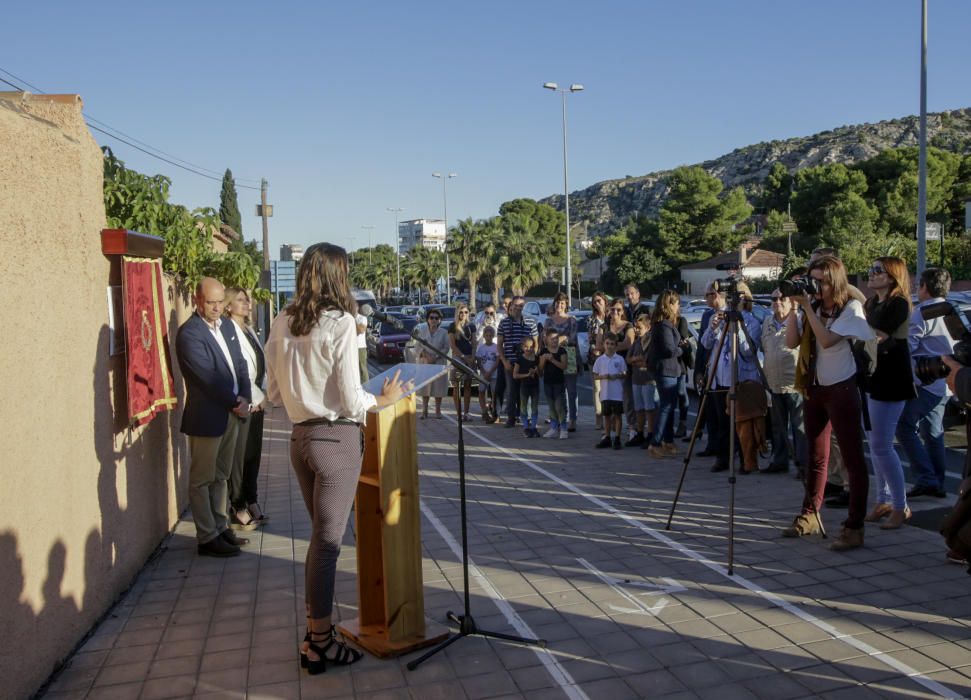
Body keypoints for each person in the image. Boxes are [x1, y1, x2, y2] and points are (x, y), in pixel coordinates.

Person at [265, 243, 410, 675]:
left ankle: (315, 636)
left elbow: (273, 393)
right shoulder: (341, 322)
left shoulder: (280, 320)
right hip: (336, 441)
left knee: (320, 541)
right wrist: (383, 399)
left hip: (299, 440)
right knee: (327, 545)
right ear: (336, 276)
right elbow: (351, 399)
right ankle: (322, 641)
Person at [783, 255, 874, 551]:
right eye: (812, 280)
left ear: (833, 280)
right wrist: (796, 309)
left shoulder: (851, 306)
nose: (815, 286)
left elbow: (826, 340)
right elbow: (791, 343)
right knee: (816, 456)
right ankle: (809, 514)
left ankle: (854, 526)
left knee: (852, 459)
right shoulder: (814, 307)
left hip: (842, 388)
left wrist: (808, 308)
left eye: (820, 280)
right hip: (816, 387)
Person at [175, 277, 252, 558]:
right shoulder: (190, 334)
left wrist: (244, 396)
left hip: (232, 411)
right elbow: (207, 378)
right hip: (208, 417)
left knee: (222, 476)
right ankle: (207, 537)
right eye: (211, 302)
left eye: (221, 302)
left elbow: (240, 365)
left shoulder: (228, 327)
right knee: (202, 479)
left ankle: (221, 528)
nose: (218, 307)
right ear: (197, 300)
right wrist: (235, 402)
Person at [863, 256, 916, 529]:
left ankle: (900, 506)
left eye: (877, 270)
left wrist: (860, 332)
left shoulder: (899, 303)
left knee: (883, 445)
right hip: (872, 378)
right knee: (875, 445)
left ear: (893, 276)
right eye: (870, 269)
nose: (870, 274)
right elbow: (867, 335)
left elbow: (875, 335)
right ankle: (882, 499)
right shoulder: (872, 303)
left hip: (892, 379)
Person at [898, 267, 955, 499]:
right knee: (933, 433)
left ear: (924, 287)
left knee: (904, 426)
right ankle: (937, 483)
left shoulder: (923, 312)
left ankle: (927, 479)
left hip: (925, 383)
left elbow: (907, 347)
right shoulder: (951, 310)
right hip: (946, 382)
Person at [700, 282, 763, 473]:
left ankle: (746, 460)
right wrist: (714, 328)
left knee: (742, 423)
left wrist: (738, 329)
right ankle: (723, 458)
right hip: (720, 377)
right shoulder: (718, 316)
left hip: (740, 378)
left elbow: (748, 352)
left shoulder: (750, 321)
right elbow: (705, 344)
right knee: (722, 422)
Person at [224, 287, 269, 528]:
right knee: (239, 459)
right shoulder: (228, 330)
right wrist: (255, 397)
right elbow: (240, 371)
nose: (246, 303)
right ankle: (238, 505)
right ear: (229, 305)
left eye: (247, 299)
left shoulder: (247, 329)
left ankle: (252, 500)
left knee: (253, 455)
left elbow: (259, 364)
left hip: (258, 402)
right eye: (240, 300)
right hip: (245, 403)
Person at [761, 290, 807, 475]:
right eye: (773, 299)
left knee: (799, 427)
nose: (777, 302)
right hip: (773, 381)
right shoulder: (767, 321)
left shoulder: (799, 320)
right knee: (778, 426)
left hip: (794, 382)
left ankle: (803, 466)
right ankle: (780, 461)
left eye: (782, 298)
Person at [646, 290, 685, 459]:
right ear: (669, 305)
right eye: (676, 303)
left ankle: (668, 441)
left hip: (670, 370)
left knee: (669, 407)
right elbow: (669, 350)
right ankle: (655, 443)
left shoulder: (665, 324)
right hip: (666, 370)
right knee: (666, 407)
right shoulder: (663, 326)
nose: (678, 307)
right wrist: (683, 348)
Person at [694, 282, 727, 455]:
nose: (705, 298)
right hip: (709, 370)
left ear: (716, 295)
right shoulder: (707, 315)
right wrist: (699, 370)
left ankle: (725, 450)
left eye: (707, 295)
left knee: (724, 414)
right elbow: (702, 346)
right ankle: (712, 445)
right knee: (710, 410)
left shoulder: (730, 314)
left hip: (726, 372)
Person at [498, 296, 539, 427]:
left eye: (521, 306)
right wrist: (504, 361)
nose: (518, 308)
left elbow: (536, 343)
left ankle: (524, 417)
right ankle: (511, 417)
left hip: (526, 363)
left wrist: (533, 360)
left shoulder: (530, 322)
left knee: (526, 392)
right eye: (516, 305)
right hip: (510, 362)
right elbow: (499, 344)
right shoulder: (504, 323)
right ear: (511, 305)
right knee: (511, 391)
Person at [544, 292, 580, 431]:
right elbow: (545, 339)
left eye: (562, 303)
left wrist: (556, 340)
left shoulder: (572, 320)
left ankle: (573, 419)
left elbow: (572, 339)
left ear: (566, 305)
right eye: (558, 303)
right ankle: (559, 418)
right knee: (556, 391)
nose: (559, 305)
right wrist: (556, 341)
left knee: (571, 391)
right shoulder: (549, 321)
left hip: (569, 357)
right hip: (553, 359)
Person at [605, 298, 636, 443]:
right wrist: (613, 346)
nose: (615, 312)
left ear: (623, 311)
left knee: (627, 398)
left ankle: (631, 428)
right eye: (612, 309)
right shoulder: (605, 325)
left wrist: (610, 346)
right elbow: (599, 344)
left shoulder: (628, 325)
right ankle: (610, 430)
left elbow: (629, 343)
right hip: (607, 366)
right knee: (609, 397)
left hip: (624, 366)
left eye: (618, 309)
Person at [626, 314, 658, 448]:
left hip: (648, 380)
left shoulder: (651, 342)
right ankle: (640, 433)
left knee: (649, 408)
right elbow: (629, 359)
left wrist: (638, 360)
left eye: (639, 327)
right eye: (635, 327)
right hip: (636, 379)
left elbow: (647, 360)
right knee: (638, 408)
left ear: (648, 327)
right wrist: (636, 360)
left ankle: (651, 433)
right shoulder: (637, 342)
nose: (637, 330)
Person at [622, 284, 649, 438]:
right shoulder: (625, 312)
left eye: (632, 293)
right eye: (627, 294)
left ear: (638, 294)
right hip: (629, 356)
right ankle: (633, 426)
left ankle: (644, 427)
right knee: (630, 397)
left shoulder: (644, 310)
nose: (629, 297)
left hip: (641, 355)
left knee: (645, 396)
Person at [414, 309, 450, 418]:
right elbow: (417, 346)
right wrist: (425, 355)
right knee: (425, 388)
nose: (434, 320)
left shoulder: (444, 332)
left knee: (438, 388)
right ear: (427, 319)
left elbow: (446, 347)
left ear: (439, 320)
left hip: (438, 362)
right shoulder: (422, 330)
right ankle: (424, 411)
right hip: (425, 363)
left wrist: (436, 357)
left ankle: (438, 412)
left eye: (436, 318)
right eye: (431, 317)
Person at [593, 333, 626, 449]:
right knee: (606, 416)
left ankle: (617, 438)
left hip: (617, 393)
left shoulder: (620, 359)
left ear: (616, 346)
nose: (609, 346)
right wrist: (604, 377)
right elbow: (595, 375)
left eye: (612, 344)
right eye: (607, 343)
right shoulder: (600, 360)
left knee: (617, 416)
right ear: (603, 345)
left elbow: (624, 373)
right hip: (605, 393)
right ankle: (607, 437)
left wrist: (618, 375)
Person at [448, 303, 477, 420]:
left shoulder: (471, 326)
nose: (463, 314)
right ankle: (458, 413)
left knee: (468, 385)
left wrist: (473, 358)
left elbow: (474, 343)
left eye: (466, 312)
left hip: (470, 357)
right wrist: (464, 358)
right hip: (458, 358)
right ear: (457, 313)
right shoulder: (452, 326)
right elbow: (453, 346)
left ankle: (466, 412)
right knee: (456, 386)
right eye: (461, 312)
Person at [539, 327, 568, 439]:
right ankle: (554, 427)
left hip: (559, 383)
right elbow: (540, 370)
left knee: (559, 405)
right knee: (551, 406)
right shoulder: (544, 351)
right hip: (547, 382)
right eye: (552, 339)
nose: (555, 341)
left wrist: (552, 360)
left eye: (556, 338)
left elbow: (564, 366)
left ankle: (564, 428)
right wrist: (543, 360)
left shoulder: (562, 351)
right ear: (546, 339)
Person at [588, 291, 610, 430]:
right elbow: (590, 338)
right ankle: (598, 417)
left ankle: (610, 418)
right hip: (596, 357)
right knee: (597, 388)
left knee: (609, 388)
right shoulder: (592, 319)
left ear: (604, 301)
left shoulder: (611, 316)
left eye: (599, 301)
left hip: (610, 355)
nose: (597, 304)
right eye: (595, 302)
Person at [513, 337, 541, 437]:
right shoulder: (520, 359)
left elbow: (541, 373)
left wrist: (536, 371)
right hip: (524, 386)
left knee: (534, 407)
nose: (529, 349)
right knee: (524, 407)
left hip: (535, 386)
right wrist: (527, 375)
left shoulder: (537, 358)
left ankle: (533, 427)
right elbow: (515, 375)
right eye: (526, 347)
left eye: (531, 347)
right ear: (522, 347)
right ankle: (525, 427)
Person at [475, 325, 500, 420]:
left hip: (494, 373)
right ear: (484, 336)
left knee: (494, 393)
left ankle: (494, 411)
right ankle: (484, 411)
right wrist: (484, 372)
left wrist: (490, 372)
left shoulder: (496, 347)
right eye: (487, 335)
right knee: (481, 391)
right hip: (483, 374)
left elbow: (497, 361)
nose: (488, 337)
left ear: (493, 336)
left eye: (490, 335)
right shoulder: (481, 348)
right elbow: (479, 362)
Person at [355, 311, 369, 382]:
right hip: (350, 346)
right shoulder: (348, 318)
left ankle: (366, 387)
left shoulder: (362, 318)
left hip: (360, 347)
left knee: (362, 368)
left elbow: (361, 330)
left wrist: (351, 323)